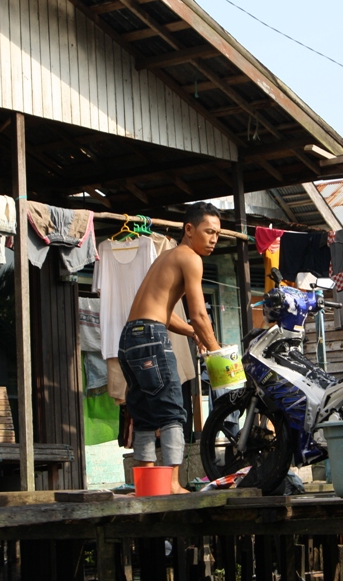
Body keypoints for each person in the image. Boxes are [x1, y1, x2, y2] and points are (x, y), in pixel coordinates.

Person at [118, 202, 222, 494]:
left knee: (145, 415)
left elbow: (162, 311)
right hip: (150, 338)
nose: (214, 239)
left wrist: (192, 333)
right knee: (174, 412)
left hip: (129, 339)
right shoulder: (191, 258)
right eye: (209, 231)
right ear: (189, 229)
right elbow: (200, 315)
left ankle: (146, 483)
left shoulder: (168, 256)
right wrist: (218, 354)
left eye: (217, 234)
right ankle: (174, 484)